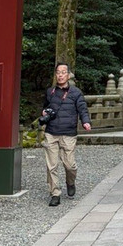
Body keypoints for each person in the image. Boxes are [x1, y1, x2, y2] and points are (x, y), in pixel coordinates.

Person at [41, 62, 91, 206]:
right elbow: (45, 108)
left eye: (63, 72)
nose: (60, 75)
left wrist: (85, 122)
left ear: (68, 75)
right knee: (52, 165)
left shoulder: (76, 93)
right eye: (58, 72)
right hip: (51, 132)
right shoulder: (50, 92)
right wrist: (44, 113)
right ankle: (55, 193)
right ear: (55, 74)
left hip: (68, 133)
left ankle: (70, 182)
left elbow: (83, 109)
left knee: (70, 165)